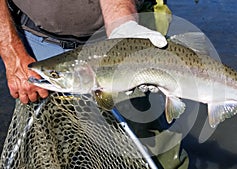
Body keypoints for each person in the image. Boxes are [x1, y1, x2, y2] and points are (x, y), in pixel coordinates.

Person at [0, 0, 167, 104]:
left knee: (147, 130)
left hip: (120, 36)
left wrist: (123, 26)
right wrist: (11, 52)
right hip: (33, 39)